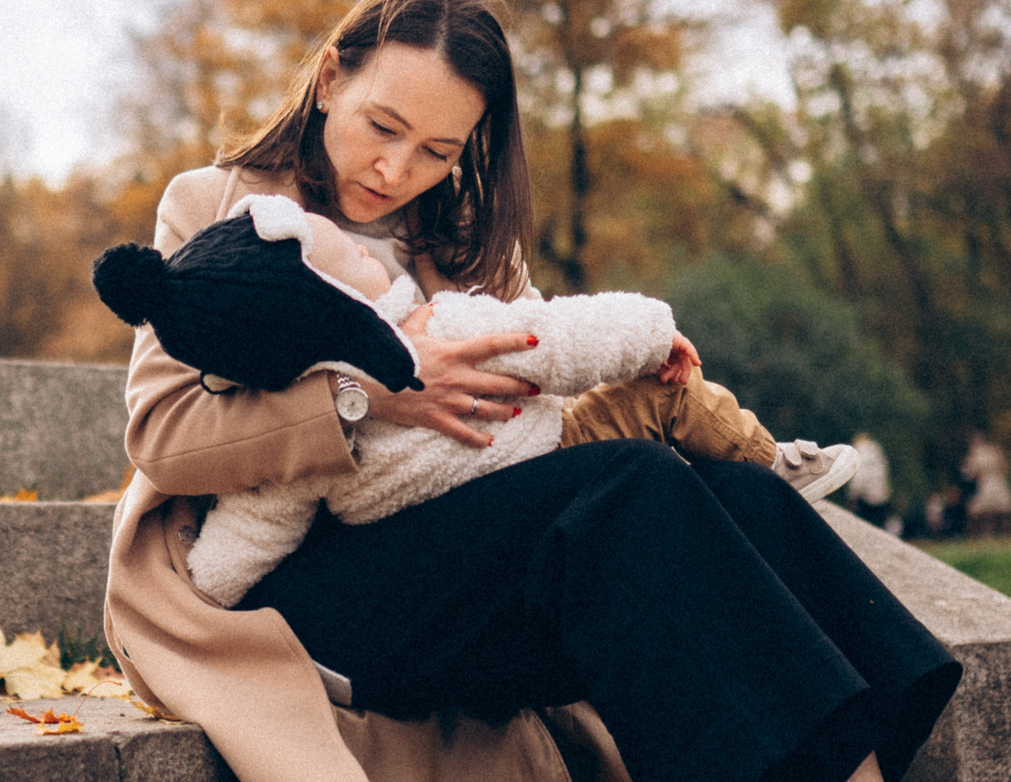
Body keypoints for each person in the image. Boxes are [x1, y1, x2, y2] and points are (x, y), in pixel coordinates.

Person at [100, 0, 1011, 782]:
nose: (398, 169)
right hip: (315, 584)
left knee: (733, 493)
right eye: (382, 126)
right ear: (330, 76)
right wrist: (370, 384)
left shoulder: (470, 238)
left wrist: (642, 380)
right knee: (628, 496)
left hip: (482, 561)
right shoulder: (217, 206)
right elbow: (164, 437)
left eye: (438, 150)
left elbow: (535, 416)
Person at [90, 192, 860, 607]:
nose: (365, 249)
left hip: (466, 524)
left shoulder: (306, 444)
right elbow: (557, 337)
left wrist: (203, 581)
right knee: (670, 397)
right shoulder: (441, 326)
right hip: (554, 452)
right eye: (351, 256)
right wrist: (656, 333)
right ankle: (772, 459)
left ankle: (754, 470)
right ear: (329, 299)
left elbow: (255, 528)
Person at [959, 432, 1011, 538]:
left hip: (993, 481)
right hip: (989, 482)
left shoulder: (986, 452)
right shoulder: (988, 452)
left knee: (995, 511)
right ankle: (993, 535)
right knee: (989, 512)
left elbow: (972, 472)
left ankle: (998, 535)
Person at [846, 432, 895, 531]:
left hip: (866, 498)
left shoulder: (860, 454)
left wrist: (852, 495)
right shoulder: (878, 453)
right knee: (879, 527)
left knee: (865, 527)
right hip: (882, 497)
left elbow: (859, 478)